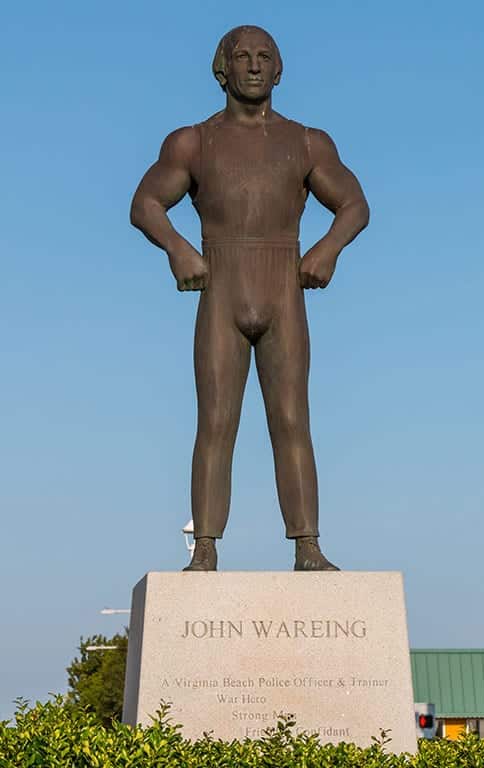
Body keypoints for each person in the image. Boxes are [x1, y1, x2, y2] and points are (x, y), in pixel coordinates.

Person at [130, 25, 369, 571]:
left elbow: (354, 203)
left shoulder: (308, 142)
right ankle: (206, 549)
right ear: (223, 69)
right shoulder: (191, 142)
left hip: (283, 287)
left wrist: (328, 248)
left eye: (265, 57)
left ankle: (307, 544)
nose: (255, 66)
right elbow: (145, 202)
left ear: (279, 69)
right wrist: (178, 249)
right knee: (216, 421)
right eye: (243, 57)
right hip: (222, 286)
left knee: (291, 418)